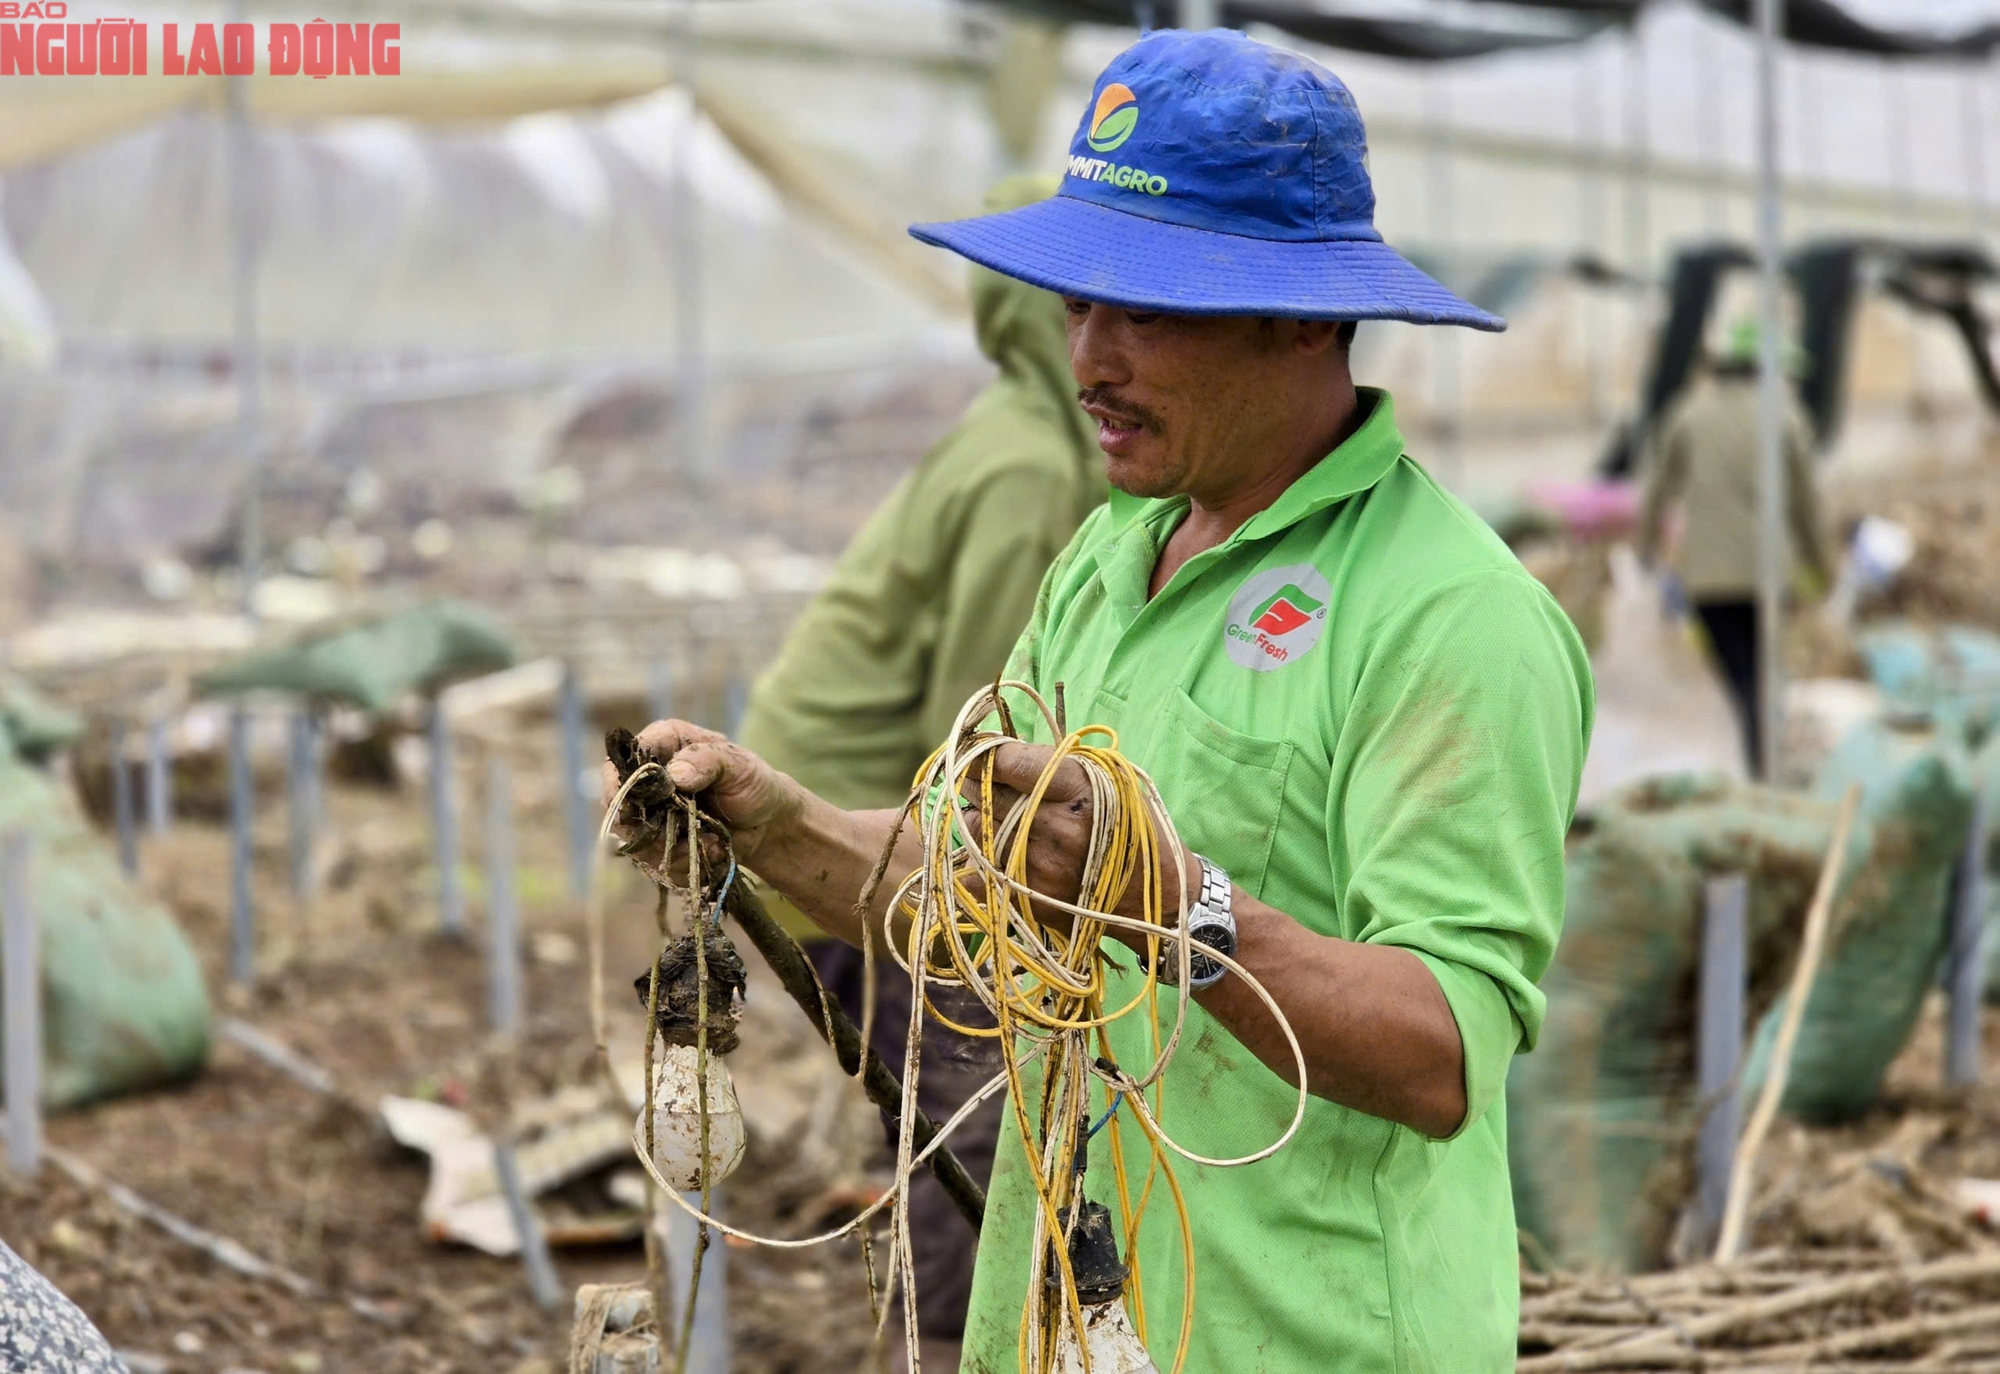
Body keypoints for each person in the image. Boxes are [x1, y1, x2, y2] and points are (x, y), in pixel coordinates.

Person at [610, 29, 1591, 1371]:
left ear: (1301, 313)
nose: (1090, 356)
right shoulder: (1111, 556)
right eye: (1078, 303)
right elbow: (968, 892)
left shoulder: (1451, 615)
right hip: (1073, 1309)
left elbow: (1439, 1052)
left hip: (1299, 1336)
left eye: (1146, 307)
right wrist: (775, 826)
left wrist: (1170, 901)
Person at [734, 173, 1104, 1371]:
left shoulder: (1024, 439)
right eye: (1088, 307)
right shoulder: (1030, 472)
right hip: (853, 827)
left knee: (956, 1097)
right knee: (969, 1101)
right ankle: (945, 1345)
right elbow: (983, 734)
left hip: (859, 810)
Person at [1639, 318, 1832, 776]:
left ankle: (1757, 762)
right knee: (1763, 674)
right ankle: (1764, 763)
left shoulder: (1688, 412)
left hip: (1708, 578)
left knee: (1740, 673)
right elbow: (1807, 502)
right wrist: (1824, 568)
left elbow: (1657, 490)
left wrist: (1645, 549)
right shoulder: (1786, 417)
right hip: (1770, 574)